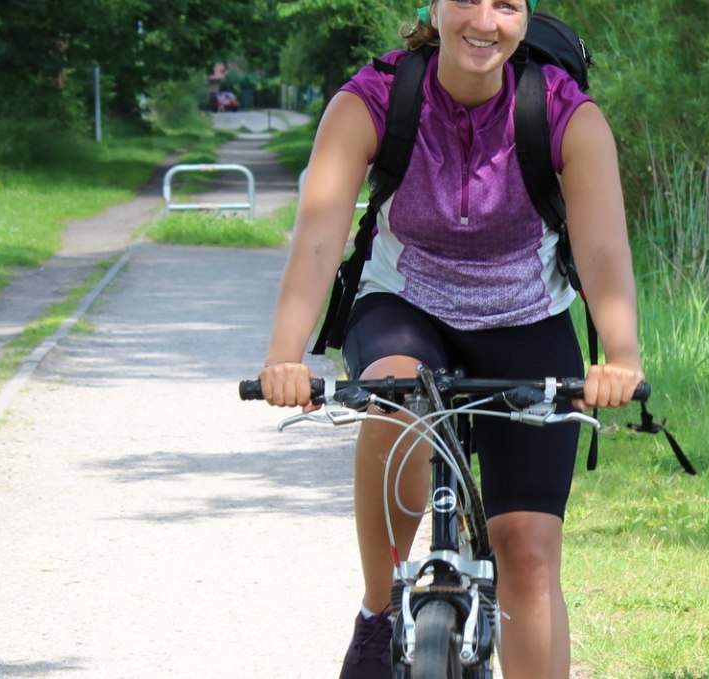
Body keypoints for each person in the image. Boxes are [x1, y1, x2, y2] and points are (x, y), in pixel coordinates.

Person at [254, 1, 643, 677]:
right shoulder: (373, 100)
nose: (484, 21)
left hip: (527, 317)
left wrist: (621, 355)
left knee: (525, 551)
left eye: (506, 5)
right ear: (432, 7)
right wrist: (285, 356)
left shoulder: (564, 115)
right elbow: (320, 237)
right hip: (407, 303)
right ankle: (380, 612)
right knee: (399, 396)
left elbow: (603, 247)